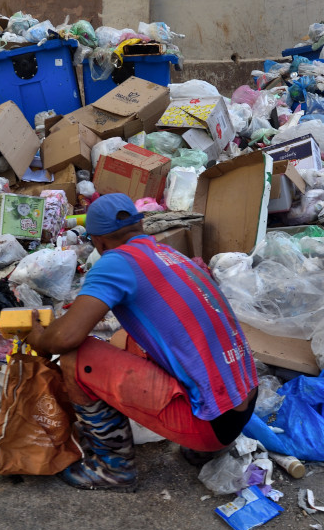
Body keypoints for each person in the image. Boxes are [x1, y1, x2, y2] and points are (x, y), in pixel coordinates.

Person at [26, 193, 258, 491]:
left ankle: (113, 467)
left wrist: (38, 336)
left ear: (98, 242)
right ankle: (203, 447)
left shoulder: (115, 262)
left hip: (211, 425)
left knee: (75, 358)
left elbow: (64, 337)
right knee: (125, 338)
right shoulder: (170, 255)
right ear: (139, 226)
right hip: (240, 407)